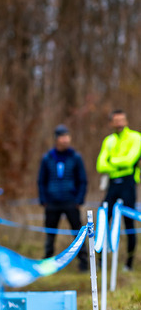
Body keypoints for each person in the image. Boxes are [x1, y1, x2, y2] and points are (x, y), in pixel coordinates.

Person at [38, 124, 88, 272]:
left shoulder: (75, 157)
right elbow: (41, 181)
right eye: (62, 137)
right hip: (52, 203)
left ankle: (84, 263)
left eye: (67, 136)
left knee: (77, 232)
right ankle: (48, 263)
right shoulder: (47, 158)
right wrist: (44, 200)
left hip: (71, 202)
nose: (65, 140)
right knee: (50, 234)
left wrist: (79, 200)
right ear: (56, 139)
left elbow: (83, 181)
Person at [96, 110, 141, 272]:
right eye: (116, 120)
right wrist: (119, 163)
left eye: (122, 119)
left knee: (129, 221)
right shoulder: (108, 141)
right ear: (112, 123)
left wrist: (111, 161)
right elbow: (100, 165)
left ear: (126, 120)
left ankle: (129, 262)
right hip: (112, 184)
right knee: (103, 217)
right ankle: (100, 259)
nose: (119, 123)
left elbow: (130, 160)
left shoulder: (136, 137)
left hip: (129, 184)